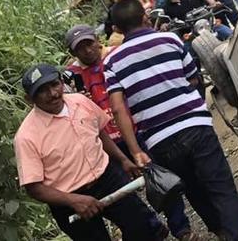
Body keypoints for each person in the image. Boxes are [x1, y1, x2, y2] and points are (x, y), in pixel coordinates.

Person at [104, 0, 238, 241]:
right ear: (144, 17)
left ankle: (221, 232)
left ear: (118, 29)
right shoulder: (169, 39)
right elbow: (194, 78)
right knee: (221, 188)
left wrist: (135, 151)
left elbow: (117, 108)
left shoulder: (112, 61)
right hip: (194, 125)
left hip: (158, 139)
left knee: (194, 188)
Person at [64, 25, 197, 241]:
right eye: (81, 48)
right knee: (125, 195)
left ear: (97, 40)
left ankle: (181, 228)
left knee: (160, 178)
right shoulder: (71, 78)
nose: (87, 50)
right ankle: (153, 226)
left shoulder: (116, 57)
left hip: (136, 129)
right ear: (73, 53)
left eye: (89, 43)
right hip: (106, 143)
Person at [13, 63, 164, 241]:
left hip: (108, 179)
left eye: (55, 84)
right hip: (68, 200)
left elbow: (99, 132)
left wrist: (123, 160)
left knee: (142, 227)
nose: (53, 94)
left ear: (62, 82)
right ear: (29, 99)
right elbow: (34, 188)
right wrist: (73, 200)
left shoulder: (80, 101)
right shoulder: (26, 136)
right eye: (43, 91)